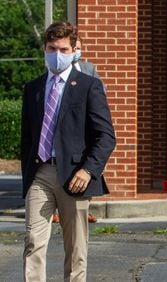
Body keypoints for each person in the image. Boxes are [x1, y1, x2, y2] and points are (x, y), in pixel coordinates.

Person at [21, 22, 116, 281]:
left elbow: (106, 136)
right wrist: (27, 176)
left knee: (75, 248)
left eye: (63, 49)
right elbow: (27, 138)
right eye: (52, 48)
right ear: (44, 48)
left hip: (74, 176)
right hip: (40, 173)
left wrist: (89, 170)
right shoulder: (33, 88)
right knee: (33, 242)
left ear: (75, 50)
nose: (57, 54)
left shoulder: (88, 86)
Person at [52, 35, 102, 224]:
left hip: (85, 129)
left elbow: (99, 91)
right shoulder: (55, 71)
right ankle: (57, 209)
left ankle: (85, 208)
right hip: (65, 130)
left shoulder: (88, 69)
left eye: (78, 48)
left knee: (86, 170)